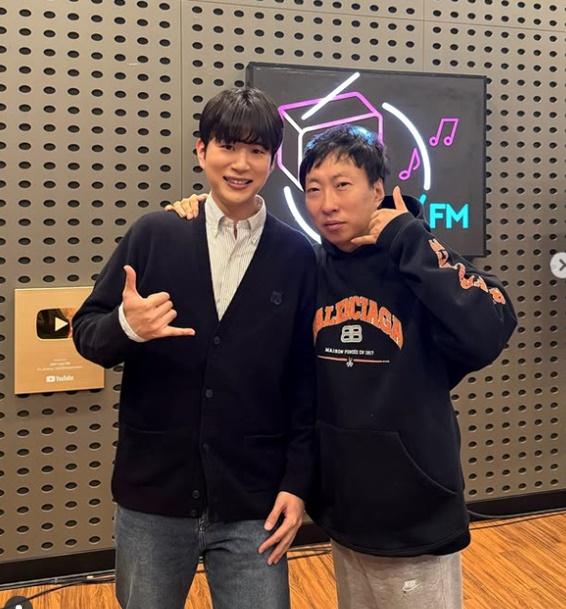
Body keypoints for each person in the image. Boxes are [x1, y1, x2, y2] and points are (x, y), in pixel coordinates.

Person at [169, 123, 517, 609]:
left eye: (342, 185)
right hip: (345, 508)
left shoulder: (418, 261)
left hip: (413, 509)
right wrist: (198, 214)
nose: (327, 204)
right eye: (313, 190)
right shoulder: (311, 267)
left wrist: (409, 239)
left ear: (378, 190)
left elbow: (490, 326)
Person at [72, 87, 318, 609]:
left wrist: (298, 484)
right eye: (228, 146)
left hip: (254, 500)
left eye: (257, 151)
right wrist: (126, 326)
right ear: (202, 150)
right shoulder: (156, 234)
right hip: (153, 496)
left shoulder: (297, 255)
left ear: (273, 161)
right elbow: (87, 334)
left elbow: (305, 383)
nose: (241, 164)